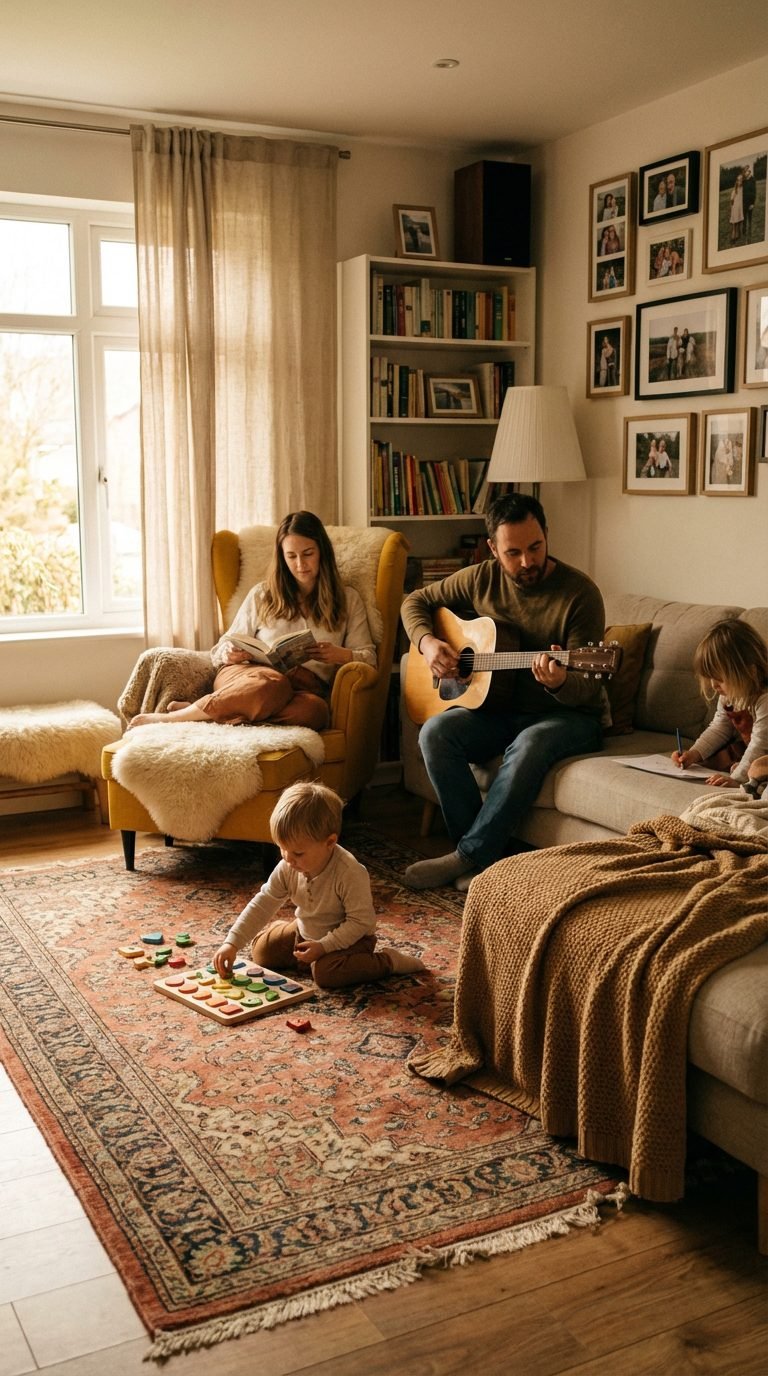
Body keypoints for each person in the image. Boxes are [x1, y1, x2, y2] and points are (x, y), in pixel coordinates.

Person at [399, 493, 606, 891]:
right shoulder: (481, 578)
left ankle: (468, 857)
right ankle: (479, 858)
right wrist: (427, 643)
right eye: (513, 552)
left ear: (546, 534)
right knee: (436, 734)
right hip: (497, 708)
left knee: (530, 742)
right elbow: (415, 601)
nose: (527, 561)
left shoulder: (580, 594)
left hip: (570, 716)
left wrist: (560, 681)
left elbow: (586, 685)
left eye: (535, 547)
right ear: (492, 548)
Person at [129, 511, 375, 731]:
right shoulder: (261, 594)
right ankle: (176, 718)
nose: (300, 564)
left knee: (315, 711)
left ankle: (205, 713)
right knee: (273, 683)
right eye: (291, 556)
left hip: (303, 689)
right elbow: (220, 649)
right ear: (282, 558)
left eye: (308, 554)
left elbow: (369, 658)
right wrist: (229, 654)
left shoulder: (348, 599)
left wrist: (339, 655)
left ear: (322, 551)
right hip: (249, 675)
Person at [213, 781, 426, 989]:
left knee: (326, 974)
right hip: (307, 931)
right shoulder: (288, 865)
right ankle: (292, 940)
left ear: (330, 842)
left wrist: (324, 947)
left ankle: (388, 961)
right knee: (261, 952)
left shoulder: (349, 872)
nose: (287, 858)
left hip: (351, 940)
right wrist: (232, 943)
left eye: (297, 852)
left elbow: (361, 922)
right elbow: (263, 902)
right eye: (281, 848)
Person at [671, 619, 768, 787]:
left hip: (763, 750)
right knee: (713, 758)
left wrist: (737, 780)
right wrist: (694, 753)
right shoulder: (731, 693)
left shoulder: (765, 699)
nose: (713, 685)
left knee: (755, 767)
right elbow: (719, 728)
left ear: (750, 672)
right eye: (710, 678)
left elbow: (760, 745)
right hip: (754, 750)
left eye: (720, 679)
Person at [742, 164, 756, 241]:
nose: (745, 172)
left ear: (749, 172)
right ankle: (744, 231)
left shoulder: (752, 180)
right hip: (744, 202)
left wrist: (752, 203)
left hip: (750, 202)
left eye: (747, 171)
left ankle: (749, 230)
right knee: (744, 217)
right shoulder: (744, 181)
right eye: (744, 171)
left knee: (749, 217)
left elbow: (754, 192)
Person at [730, 172, 744, 244]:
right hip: (735, 208)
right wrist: (733, 207)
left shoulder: (743, 189)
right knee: (734, 223)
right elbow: (732, 200)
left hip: (740, 209)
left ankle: (738, 235)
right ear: (737, 181)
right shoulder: (735, 190)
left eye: (741, 180)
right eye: (739, 180)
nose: (740, 181)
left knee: (738, 222)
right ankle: (733, 237)